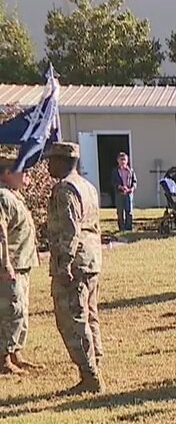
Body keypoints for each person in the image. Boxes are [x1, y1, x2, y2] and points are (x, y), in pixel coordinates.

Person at [44, 142, 105, 394]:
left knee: (72, 318)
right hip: (91, 259)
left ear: (62, 162)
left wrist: (64, 264)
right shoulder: (87, 186)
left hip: (75, 262)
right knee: (89, 315)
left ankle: (90, 375)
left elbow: (70, 230)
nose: (47, 165)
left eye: (51, 160)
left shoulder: (65, 190)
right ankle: (95, 362)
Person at [0, 148, 42, 375]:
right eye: (23, 170)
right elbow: (1, 232)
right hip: (11, 265)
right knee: (10, 310)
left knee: (21, 310)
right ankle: (3, 358)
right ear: (7, 172)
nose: (28, 174)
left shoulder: (13, 195)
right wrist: (4, 262)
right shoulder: (3, 196)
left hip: (23, 263)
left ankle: (16, 352)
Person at [111, 152, 136, 233]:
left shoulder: (130, 171)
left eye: (124, 159)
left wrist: (132, 188)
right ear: (118, 160)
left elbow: (134, 182)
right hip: (119, 193)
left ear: (127, 160)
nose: (123, 161)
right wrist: (120, 187)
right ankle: (121, 228)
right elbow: (113, 182)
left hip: (128, 193)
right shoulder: (115, 171)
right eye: (121, 159)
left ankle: (128, 228)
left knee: (129, 211)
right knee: (120, 212)